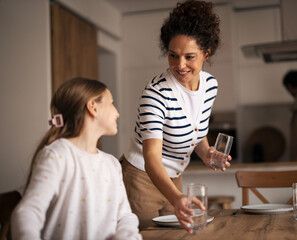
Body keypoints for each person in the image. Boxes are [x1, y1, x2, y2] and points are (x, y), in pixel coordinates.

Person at [120, 0, 231, 233]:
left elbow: (195, 130)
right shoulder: (156, 93)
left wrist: (206, 153)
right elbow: (151, 159)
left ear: (206, 53)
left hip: (175, 179)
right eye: (173, 55)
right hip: (141, 179)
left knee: (175, 237)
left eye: (189, 57)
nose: (180, 65)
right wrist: (177, 197)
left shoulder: (210, 85)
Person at [11, 78, 142, 240]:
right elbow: (28, 213)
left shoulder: (112, 164)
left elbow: (125, 217)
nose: (117, 112)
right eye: (111, 103)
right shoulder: (58, 155)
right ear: (93, 107)